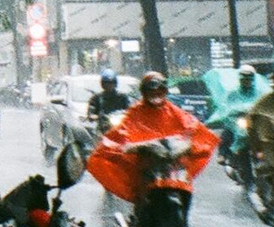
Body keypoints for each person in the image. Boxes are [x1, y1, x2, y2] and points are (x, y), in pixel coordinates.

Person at [87, 71, 219, 204]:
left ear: (165, 91)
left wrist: (190, 144)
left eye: (159, 90)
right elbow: (119, 136)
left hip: (172, 166)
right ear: (144, 92)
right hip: (147, 166)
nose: (155, 94)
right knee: (141, 197)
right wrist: (131, 147)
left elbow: (194, 128)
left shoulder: (175, 112)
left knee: (186, 190)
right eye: (151, 91)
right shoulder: (135, 113)